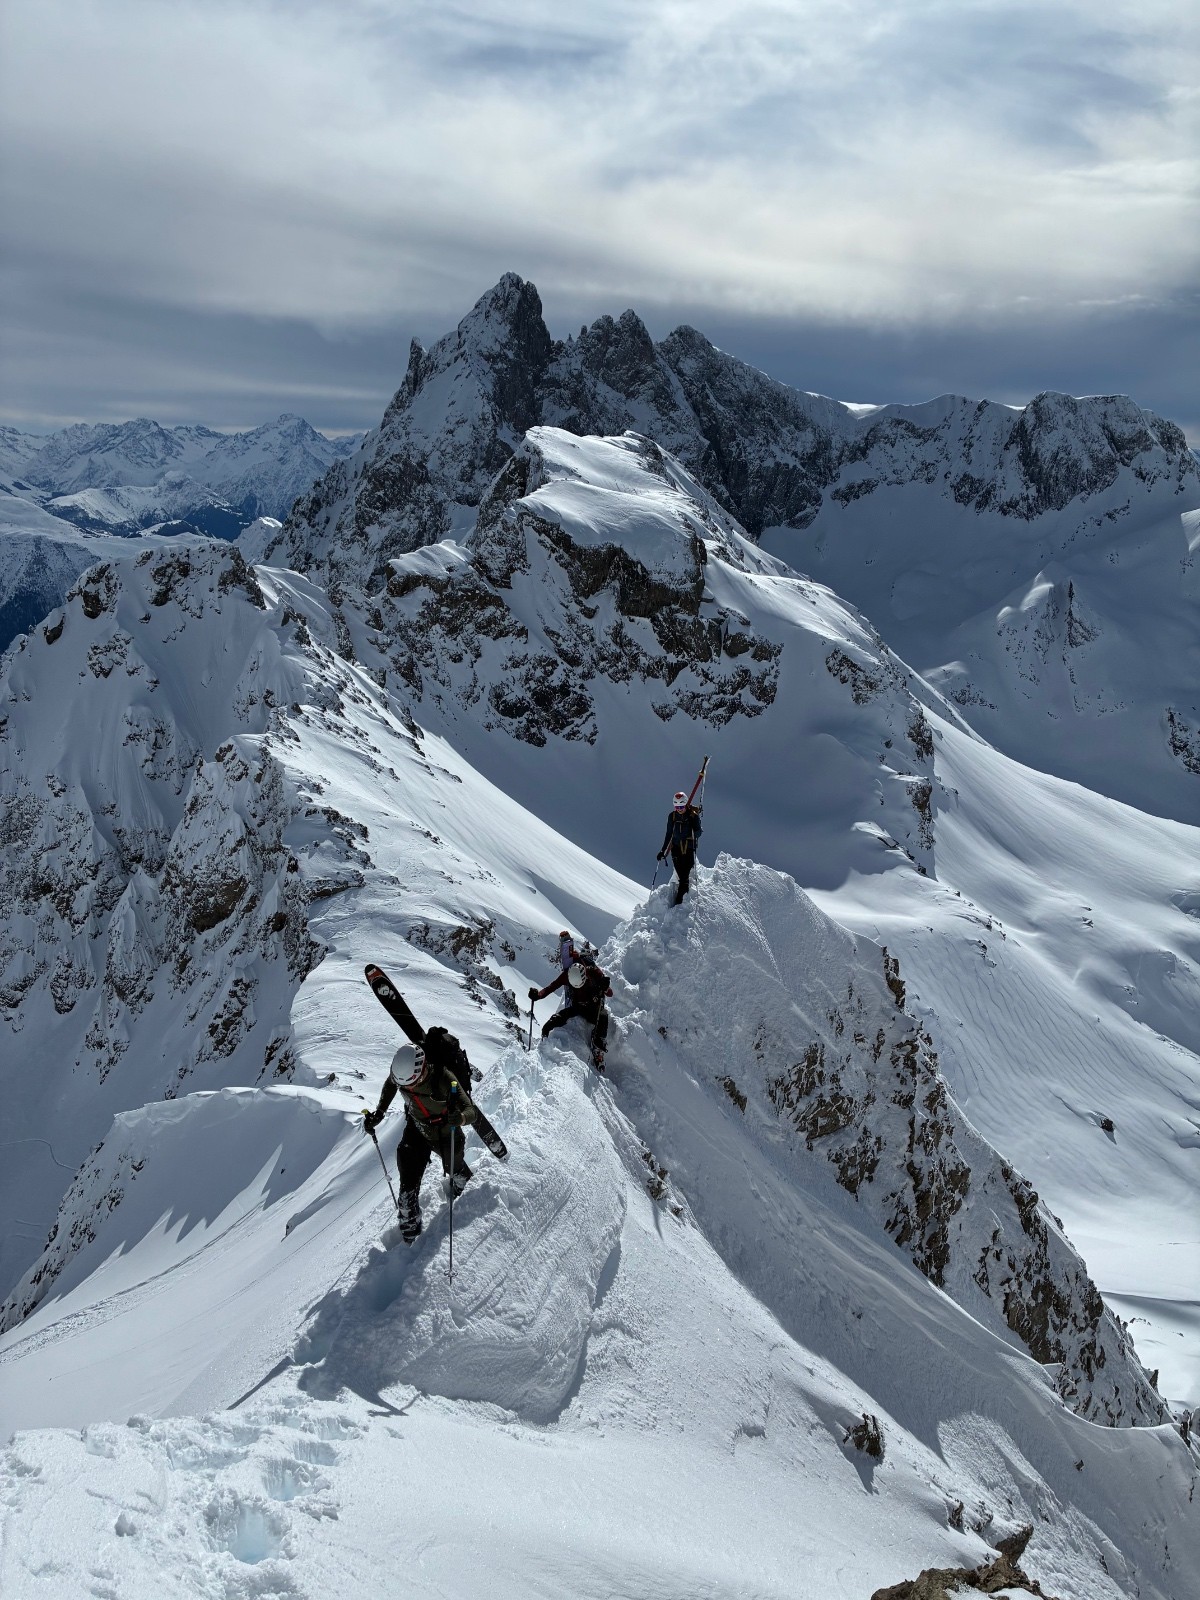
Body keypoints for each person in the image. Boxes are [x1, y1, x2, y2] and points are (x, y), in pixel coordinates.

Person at [362, 1029, 479, 1244]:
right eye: (404, 1085)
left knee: (455, 1168)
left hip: (446, 1131)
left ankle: (461, 1180)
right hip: (417, 1128)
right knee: (407, 1176)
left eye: (411, 1083)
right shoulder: (403, 1076)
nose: (407, 1088)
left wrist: (461, 1118)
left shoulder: (444, 1078)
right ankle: (409, 1231)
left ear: (423, 1069)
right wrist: (379, 1112)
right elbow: (391, 1083)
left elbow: (470, 1110)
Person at [528, 959, 613, 1069]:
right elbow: (551, 987)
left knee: (603, 1016)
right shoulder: (567, 975)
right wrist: (538, 995)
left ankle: (598, 1049)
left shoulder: (594, 972)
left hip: (594, 1007)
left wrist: (605, 987)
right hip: (578, 1007)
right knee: (554, 1021)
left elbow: (610, 993)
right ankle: (545, 1037)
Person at [657, 789, 703, 904]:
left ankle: (680, 902)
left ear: (685, 804)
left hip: (689, 849)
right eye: (677, 807)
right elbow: (668, 834)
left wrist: (697, 823)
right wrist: (662, 850)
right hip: (676, 849)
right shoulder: (672, 816)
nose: (679, 809)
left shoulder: (692, 816)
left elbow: (698, 834)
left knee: (684, 877)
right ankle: (680, 902)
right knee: (682, 876)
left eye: (681, 807)